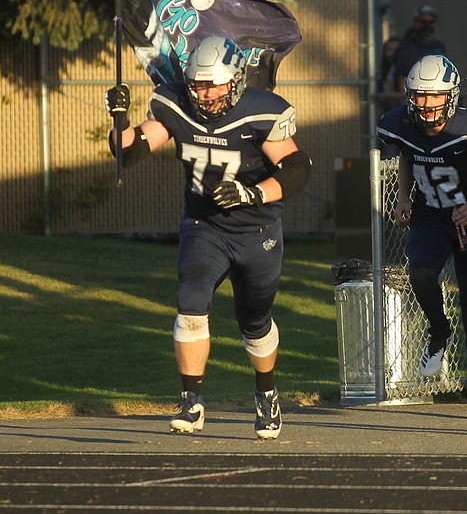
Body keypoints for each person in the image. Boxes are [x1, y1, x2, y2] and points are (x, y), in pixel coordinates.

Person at [105, 36, 312, 440]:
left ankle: (266, 392)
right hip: (205, 225)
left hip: (257, 230)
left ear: (235, 80)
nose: (205, 93)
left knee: (254, 319)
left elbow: (297, 167)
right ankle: (191, 399)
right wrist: (118, 121)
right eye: (199, 85)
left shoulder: (260, 112)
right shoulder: (175, 104)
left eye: (214, 84)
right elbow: (129, 153)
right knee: (191, 302)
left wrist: (253, 193)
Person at [377, 54, 467, 420]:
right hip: (431, 218)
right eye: (419, 96)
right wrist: (405, 197)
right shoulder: (399, 124)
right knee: (421, 275)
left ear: (451, 96)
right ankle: (438, 331)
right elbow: (409, 155)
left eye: (434, 96)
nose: (426, 104)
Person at [393, 4, 445, 92]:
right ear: (415, 22)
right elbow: (401, 77)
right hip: (416, 94)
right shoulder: (405, 48)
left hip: (438, 92)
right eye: (423, 21)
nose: (427, 25)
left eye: (432, 21)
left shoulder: (439, 45)